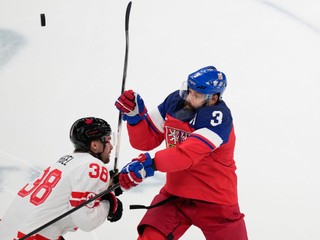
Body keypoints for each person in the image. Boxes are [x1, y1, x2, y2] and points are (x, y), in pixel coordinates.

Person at [115, 66, 248, 240]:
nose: (190, 98)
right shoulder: (174, 102)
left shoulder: (218, 118)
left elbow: (187, 155)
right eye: (189, 91)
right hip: (175, 196)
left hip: (215, 202)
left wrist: (151, 164)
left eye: (197, 96)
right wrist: (136, 119)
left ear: (213, 98)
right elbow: (146, 140)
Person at [0, 117, 123, 240]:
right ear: (95, 145)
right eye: (108, 140)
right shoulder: (94, 166)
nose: (111, 146)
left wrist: (105, 187)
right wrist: (110, 204)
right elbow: (86, 220)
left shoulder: (67, 160)